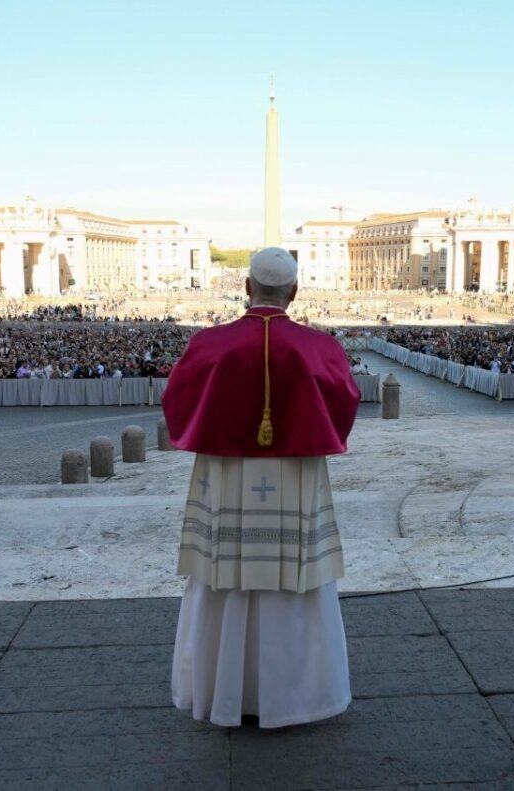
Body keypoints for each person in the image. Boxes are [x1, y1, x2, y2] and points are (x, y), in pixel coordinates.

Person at [162, 247, 361, 729]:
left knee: (226, 578)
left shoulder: (210, 344)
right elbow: (346, 405)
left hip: (227, 480)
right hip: (295, 479)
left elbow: (175, 402)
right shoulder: (322, 348)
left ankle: (223, 693)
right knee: (294, 583)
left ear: (245, 287)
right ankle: (297, 696)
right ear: (294, 292)